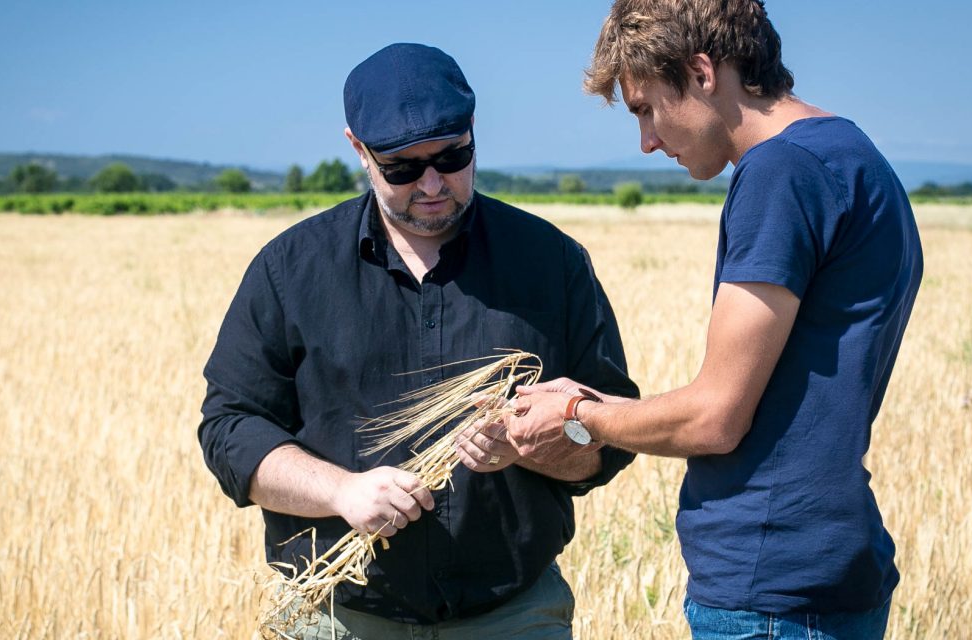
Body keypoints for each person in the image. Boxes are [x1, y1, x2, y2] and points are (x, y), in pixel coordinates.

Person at [504, 2, 923, 639]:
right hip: (830, 565)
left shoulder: (780, 173)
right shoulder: (852, 154)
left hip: (771, 586)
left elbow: (716, 417)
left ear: (702, 71)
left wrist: (577, 418)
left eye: (646, 108)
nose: (645, 141)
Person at [198, 42, 639, 639]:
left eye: (453, 156)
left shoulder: (552, 263)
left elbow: (611, 432)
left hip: (512, 616)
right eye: (402, 167)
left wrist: (539, 446)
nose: (432, 183)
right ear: (358, 148)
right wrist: (343, 493)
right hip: (339, 617)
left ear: (474, 131)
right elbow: (230, 428)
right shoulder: (290, 270)